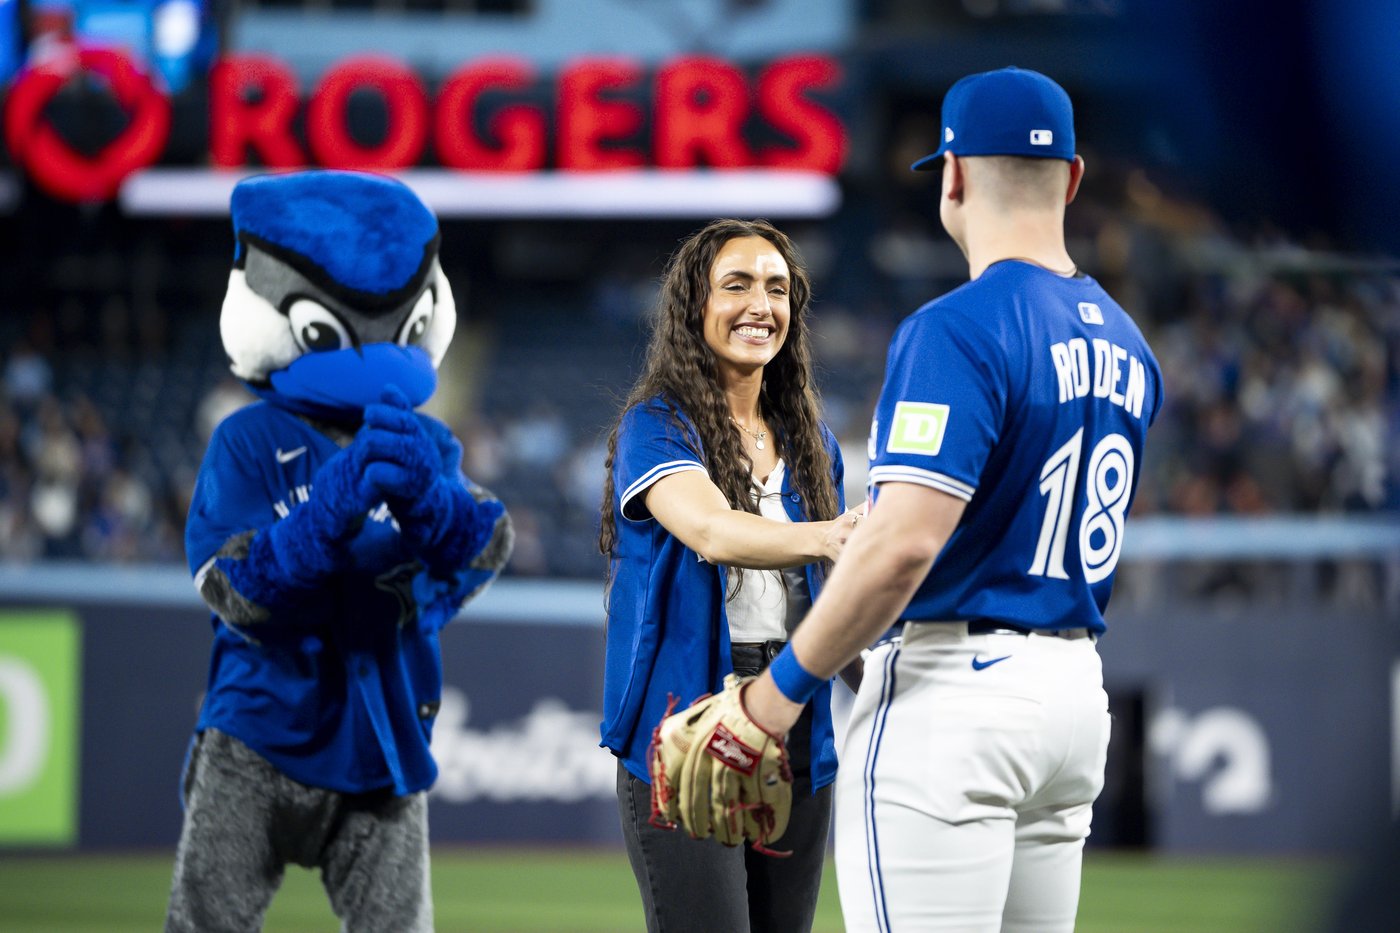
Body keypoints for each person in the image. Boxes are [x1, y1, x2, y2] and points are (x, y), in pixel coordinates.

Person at [739, 67, 1165, 931]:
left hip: (955, 697)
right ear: (1072, 179)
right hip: (1073, 692)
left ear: (955, 174)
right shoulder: (1130, 342)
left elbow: (903, 545)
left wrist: (776, 695)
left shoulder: (957, 327)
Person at [166, 171, 513, 932]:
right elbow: (233, 587)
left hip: (384, 745)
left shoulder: (425, 444)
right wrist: (329, 511)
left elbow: (481, 552)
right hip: (259, 734)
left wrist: (431, 505)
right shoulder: (246, 439)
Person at [598, 218, 861, 933]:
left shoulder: (814, 442)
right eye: (736, 284)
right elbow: (712, 531)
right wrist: (830, 536)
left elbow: (828, 600)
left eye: (776, 288)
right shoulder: (657, 425)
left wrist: (884, 686)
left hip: (796, 717)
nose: (760, 305)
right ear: (695, 305)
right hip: (689, 728)